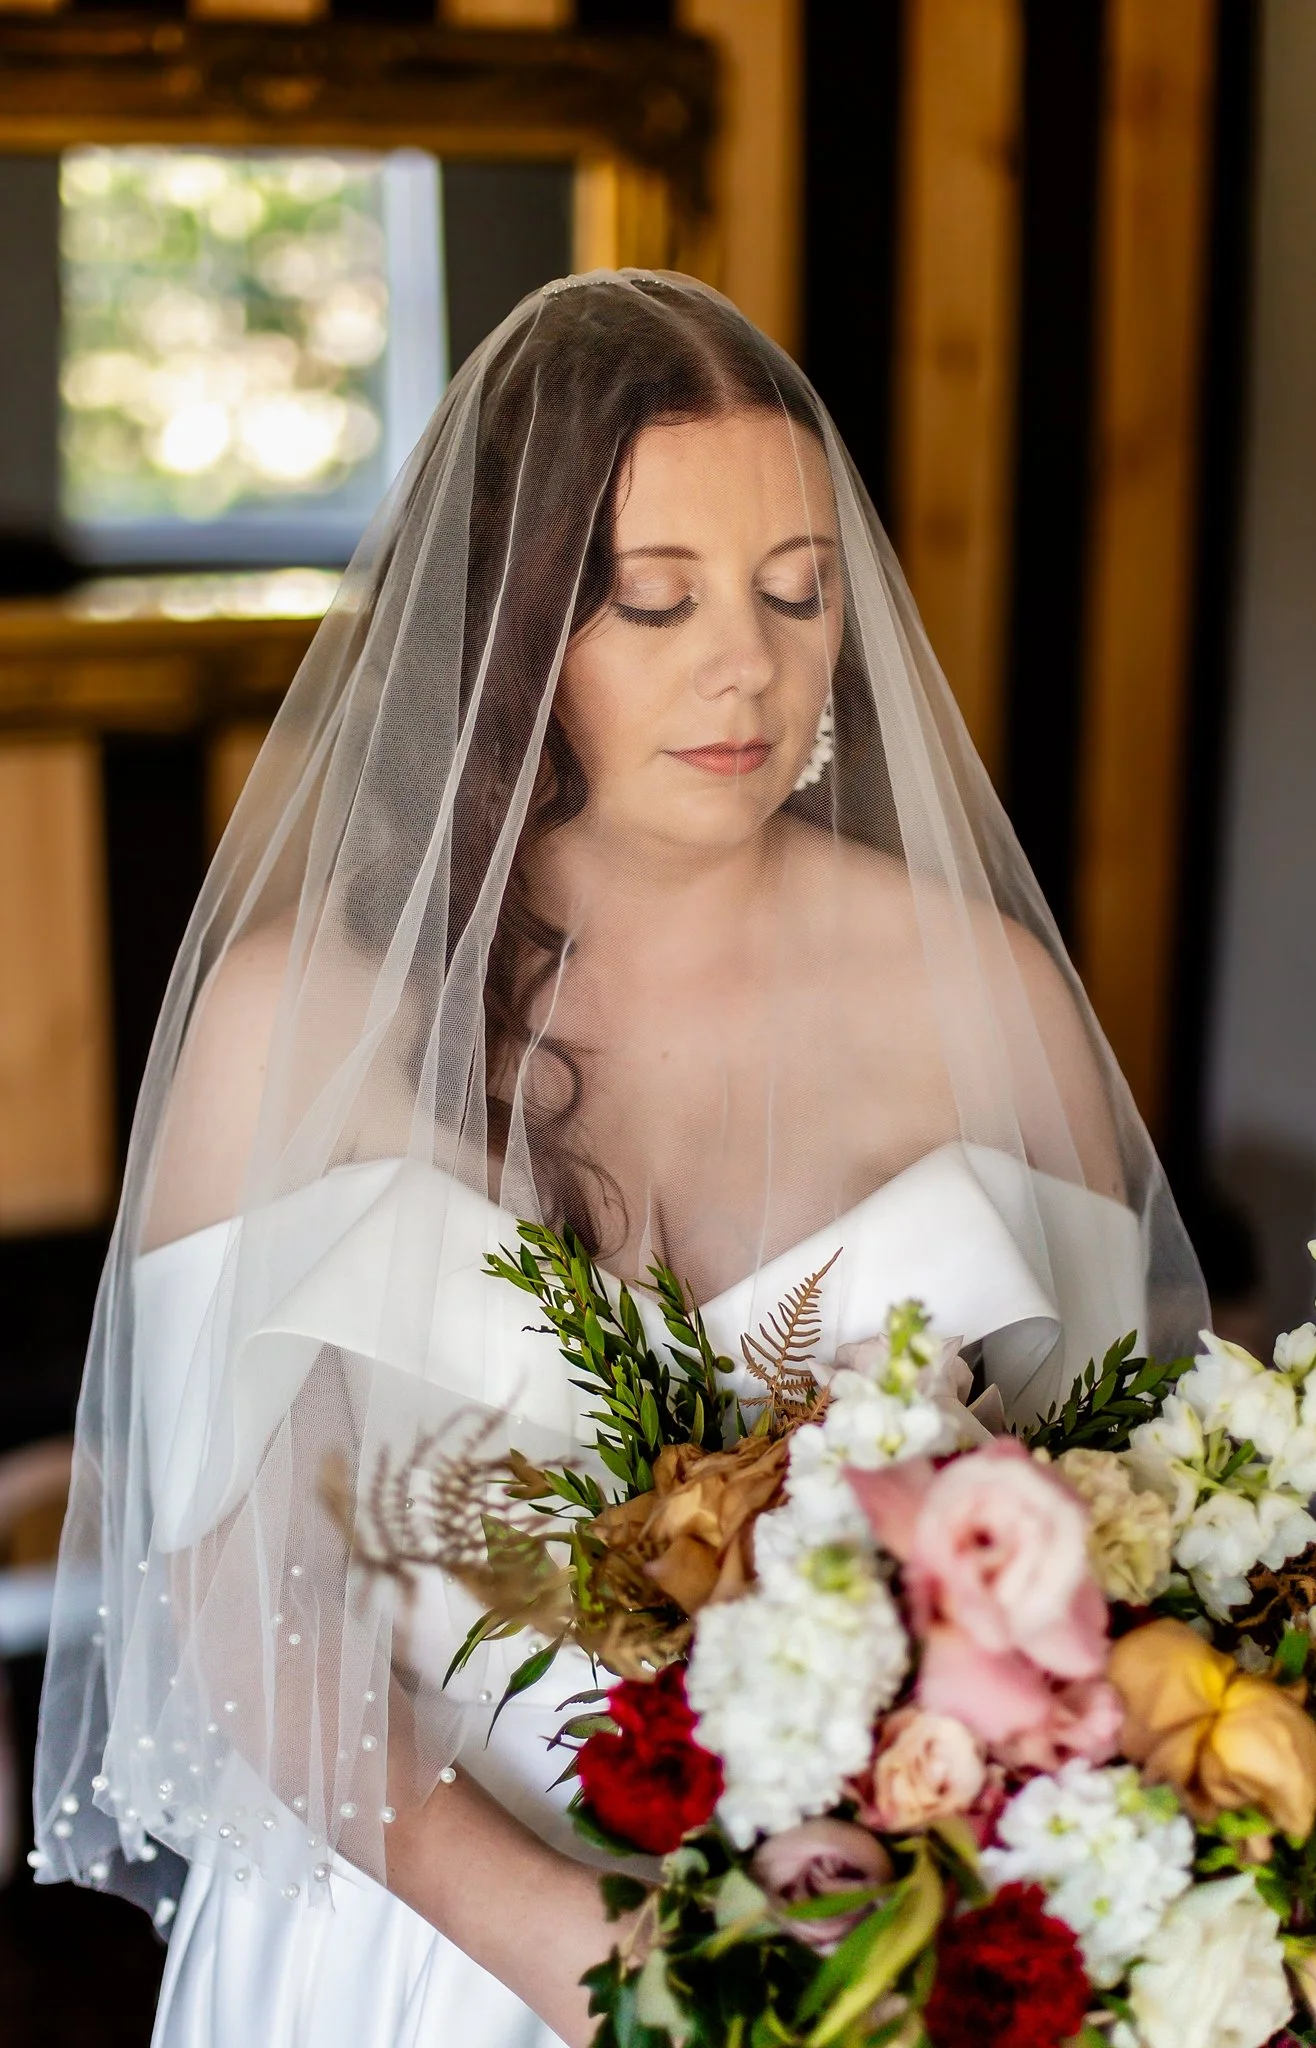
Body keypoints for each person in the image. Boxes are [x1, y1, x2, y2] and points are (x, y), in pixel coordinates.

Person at [33, 272, 1205, 2048]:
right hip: (416, 1943)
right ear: (513, 633)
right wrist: (567, 1950)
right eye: (657, 600)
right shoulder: (300, 1023)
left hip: (869, 1944)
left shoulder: (994, 1004)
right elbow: (231, 1590)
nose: (751, 664)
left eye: (798, 591)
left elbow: (1108, 1541)